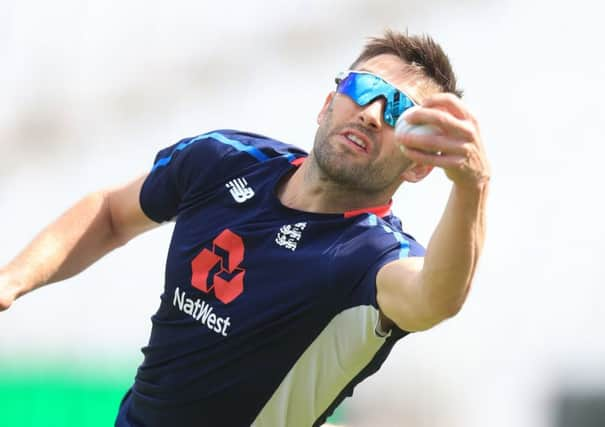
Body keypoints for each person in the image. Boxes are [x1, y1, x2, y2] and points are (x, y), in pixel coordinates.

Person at [0, 29, 489, 426]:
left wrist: (472, 185)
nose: (372, 114)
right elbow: (109, 214)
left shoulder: (374, 255)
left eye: (401, 112)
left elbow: (435, 297)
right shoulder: (224, 161)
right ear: (327, 104)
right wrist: (12, 280)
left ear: (419, 166)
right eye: (364, 89)